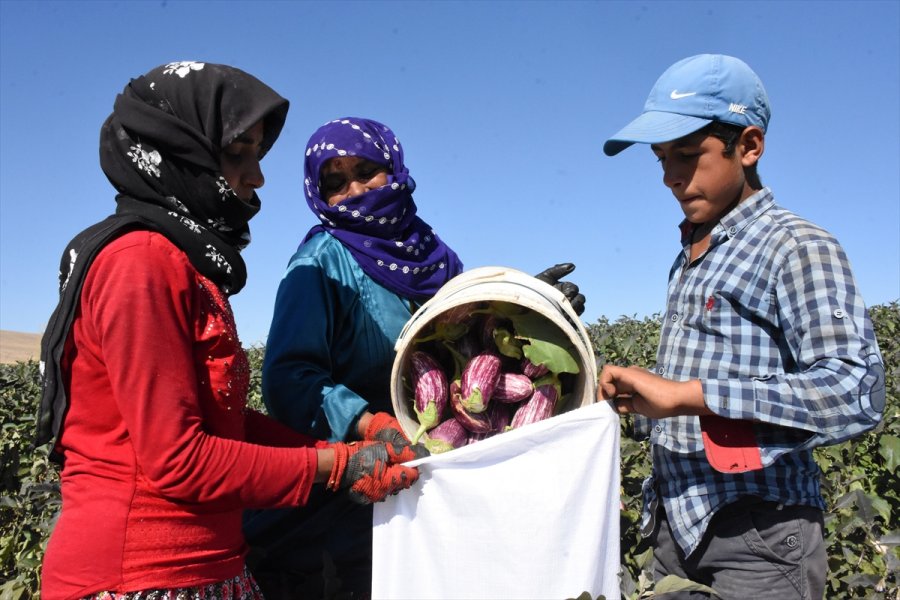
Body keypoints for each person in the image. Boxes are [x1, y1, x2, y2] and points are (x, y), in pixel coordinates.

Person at [36, 63, 421, 600]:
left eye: (257, 155)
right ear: (177, 153)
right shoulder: (140, 262)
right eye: (237, 153)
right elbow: (178, 459)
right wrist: (337, 463)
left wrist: (358, 439)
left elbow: (227, 424)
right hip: (141, 576)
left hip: (206, 568)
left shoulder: (179, 262)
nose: (257, 176)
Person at [242, 116, 585, 598]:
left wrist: (528, 310)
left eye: (367, 171)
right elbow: (288, 379)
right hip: (351, 497)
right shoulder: (322, 261)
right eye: (335, 182)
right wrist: (367, 423)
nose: (355, 190)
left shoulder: (434, 257)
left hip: (432, 484)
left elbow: (465, 344)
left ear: (394, 168)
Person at [598, 54, 885, 599]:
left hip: (760, 536)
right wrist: (639, 406)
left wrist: (688, 396)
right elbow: (701, 392)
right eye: (661, 160)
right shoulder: (691, 258)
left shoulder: (796, 246)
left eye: (687, 155)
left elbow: (857, 390)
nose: (670, 177)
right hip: (672, 532)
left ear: (749, 146)